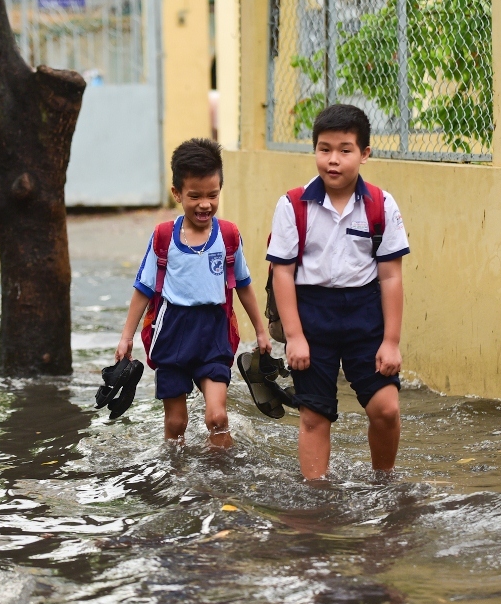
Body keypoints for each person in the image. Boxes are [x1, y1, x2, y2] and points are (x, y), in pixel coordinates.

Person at [266, 105, 410, 480]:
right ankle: (316, 499)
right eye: (324, 149)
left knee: (386, 409)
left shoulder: (381, 204)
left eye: (345, 150)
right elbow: (282, 273)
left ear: (365, 154)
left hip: (364, 315)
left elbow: (391, 277)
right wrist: (294, 337)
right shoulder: (292, 205)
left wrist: (390, 342)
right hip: (311, 314)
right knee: (314, 416)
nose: (333, 160)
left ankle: (384, 482)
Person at [115, 138, 272, 447]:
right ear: (177, 194)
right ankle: (178, 480)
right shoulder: (164, 237)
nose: (205, 204)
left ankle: (221, 478)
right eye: (195, 196)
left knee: (217, 417)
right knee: (176, 424)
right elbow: (143, 289)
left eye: (212, 195)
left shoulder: (228, 236)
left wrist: (261, 331)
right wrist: (126, 337)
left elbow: (244, 285)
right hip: (172, 333)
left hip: (214, 333)